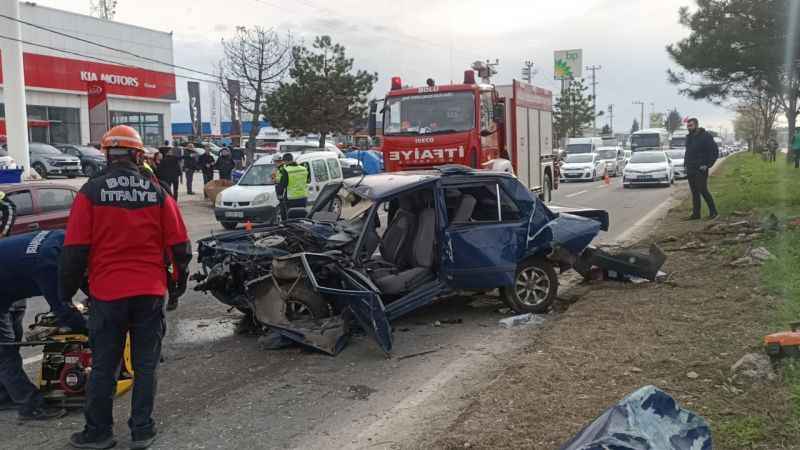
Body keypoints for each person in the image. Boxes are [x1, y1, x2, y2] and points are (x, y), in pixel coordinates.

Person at [60, 125, 191, 450]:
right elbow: (180, 247)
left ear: (107, 155)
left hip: (107, 293)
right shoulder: (157, 191)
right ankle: (142, 430)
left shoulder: (90, 192)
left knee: (105, 365)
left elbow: (74, 250)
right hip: (148, 291)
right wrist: (176, 286)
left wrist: (67, 293)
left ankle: (98, 432)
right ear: (137, 155)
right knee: (146, 365)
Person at [0, 230, 88, 422]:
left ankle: (4, 394)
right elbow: (62, 310)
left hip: (7, 283)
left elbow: (82, 277)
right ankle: (30, 406)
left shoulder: (62, 238)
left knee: (12, 338)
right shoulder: (47, 265)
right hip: (7, 282)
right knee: (6, 353)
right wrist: (90, 330)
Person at [684, 118, 719, 220]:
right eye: (688, 126)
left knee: (703, 190)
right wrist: (685, 164)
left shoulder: (705, 136)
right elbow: (688, 152)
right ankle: (696, 214)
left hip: (700, 169)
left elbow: (714, 152)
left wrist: (707, 165)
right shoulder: (689, 137)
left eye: (690, 125)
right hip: (690, 168)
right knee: (694, 192)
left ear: (696, 125)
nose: (689, 128)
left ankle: (714, 212)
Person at [275, 153, 309, 221]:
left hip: (291, 198)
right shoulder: (304, 169)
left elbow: (282, 185)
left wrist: (279, 194)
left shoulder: (286, 170)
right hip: (303, 197)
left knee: (290, 218)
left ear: (285, 161)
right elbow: (307, 180)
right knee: (301, 217)